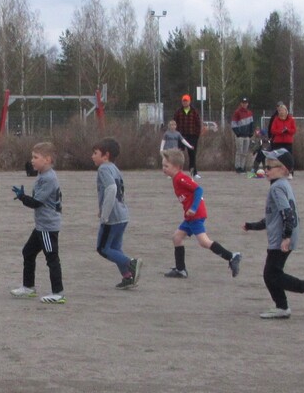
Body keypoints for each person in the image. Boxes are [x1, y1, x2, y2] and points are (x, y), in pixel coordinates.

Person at [241, 149, 304, 319]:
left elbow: (287, 213)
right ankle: (282, 306)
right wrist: (252, 226)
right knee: (271, 274)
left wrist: (286, 237)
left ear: (284, 169)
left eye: (270, 167)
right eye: (265, 166)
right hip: (283, 236)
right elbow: (272, 217)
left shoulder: (277, 188)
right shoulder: (282, 185)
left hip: (282, 238)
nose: (265, 170)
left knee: (272, 275)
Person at [159, 148, 241, 279]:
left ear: (177, 167)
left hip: (195, 214)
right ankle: (181, 270)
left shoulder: (180, 178)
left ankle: (232, 256)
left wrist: (193, 208)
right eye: (163, 165)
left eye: (166, 166)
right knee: (177, 238)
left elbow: (198, 190)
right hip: (190, 216)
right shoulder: (176, 178)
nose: (163, 168)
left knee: (204, 242)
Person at [9, 141, 65, 304]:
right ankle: (28, 287)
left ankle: (58, 293)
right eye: (32, 157)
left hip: (47, 226)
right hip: (41, 225)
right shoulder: (42, 175)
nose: (32, 160)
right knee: (28, 252)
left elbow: (36, 203)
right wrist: (23, 197)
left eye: (35, 157)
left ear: (47, 159)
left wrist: (22, 197)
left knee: (52, 258)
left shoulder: (49, 178)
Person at [92, 137, 141, 289]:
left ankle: (131, 263)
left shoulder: (103, 169)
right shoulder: (114, 168)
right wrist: (102, 208)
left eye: (95, 153)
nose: (92, 156)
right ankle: (127, 276)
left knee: (103, 248)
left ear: (106, 155)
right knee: (115, 248)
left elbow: (112, 189)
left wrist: (105, 214)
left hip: (112, 218)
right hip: (123, 215)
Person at [176, 95, 203, 177]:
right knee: (179, 154)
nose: (185, 102)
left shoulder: (194, 111)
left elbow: (198, 124)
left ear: (189, 101)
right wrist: (176, 134)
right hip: (181, 136)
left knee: (192, 154)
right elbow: (174, 122)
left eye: (186, 101)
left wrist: (197, 135)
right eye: (184, 101)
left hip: (192, 136)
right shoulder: (178, 111)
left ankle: (194, 172)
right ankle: (176, 172)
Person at [230, 97, 256, 174]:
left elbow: (251, 124)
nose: (245, 104)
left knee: (245, 152)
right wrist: (238, 133)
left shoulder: (249, 113)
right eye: (243, 103)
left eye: (246, 103)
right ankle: (238, 167)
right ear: (241, 104)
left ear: (247, 104)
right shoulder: (237, 112)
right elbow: (233, 124)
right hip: (240, 136)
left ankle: (242, 166)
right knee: (239, 151)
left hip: (247, 135)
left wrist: (251, 133)